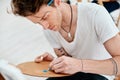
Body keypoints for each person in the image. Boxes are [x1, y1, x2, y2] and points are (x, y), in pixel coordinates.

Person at [11, 0, 120, 80]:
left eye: (45, 17)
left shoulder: (95, 14)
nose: (44, 26)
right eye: (38, 23)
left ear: (57, 2)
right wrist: (56, 62)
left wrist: (79, 65)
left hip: (100, 75)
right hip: (76, 75)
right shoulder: (49, 28)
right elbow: (70, 61)